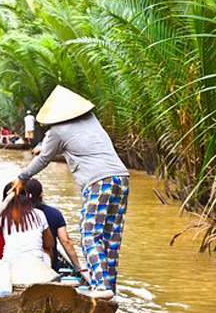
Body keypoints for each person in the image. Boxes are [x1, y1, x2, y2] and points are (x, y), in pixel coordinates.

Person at [12, 86, 129, 297]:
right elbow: (72, 140)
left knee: (89, 234)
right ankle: (109, 288)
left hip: (98, 181)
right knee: (111, 237)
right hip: (121, 178)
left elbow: (43, 159)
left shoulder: (57, 131)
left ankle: (101, 287)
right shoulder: (91, 119)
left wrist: (22, 178)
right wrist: (44, 145)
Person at [0, 183, 58, 295]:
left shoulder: (0, 217)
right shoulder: (39, 214)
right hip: (36, 266)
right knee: (47, 251)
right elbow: (49, 244)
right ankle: (47, 278)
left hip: (10, 266)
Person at [24, 179, 88, 279]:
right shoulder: (54, 213)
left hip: (21, 263)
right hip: (49, 265)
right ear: (41, 194)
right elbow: (66, 241)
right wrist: (77, 267)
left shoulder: (16, 215)